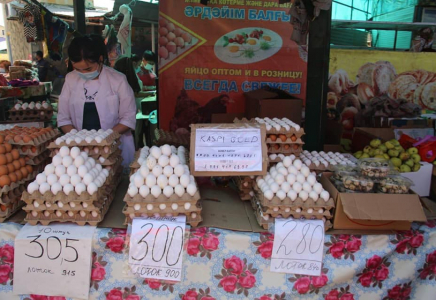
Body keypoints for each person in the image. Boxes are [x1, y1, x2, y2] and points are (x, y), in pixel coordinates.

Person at [57, 35, 137, 166]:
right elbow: (63, 118)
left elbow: (128, 118)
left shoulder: (118, 80)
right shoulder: (70, 80)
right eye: (78, 69)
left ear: (100, 59)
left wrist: (105, 139)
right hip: (82, 154)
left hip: (115, 148)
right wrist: (78, 140)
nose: (83, 72)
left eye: (88, 69)